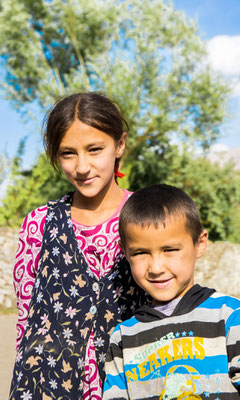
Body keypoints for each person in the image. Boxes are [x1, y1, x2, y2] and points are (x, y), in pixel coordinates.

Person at [9, 92, 147, 400]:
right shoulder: (39, 224)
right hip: (49, 384)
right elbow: (26, 318)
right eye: (67, 153)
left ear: (119, 145)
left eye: (95, 149)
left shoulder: (148, 218)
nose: (82, 167)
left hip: (131, 382)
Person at [103, 184, 240, 400]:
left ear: (199, 244)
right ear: (125, 253)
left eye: (170, 250)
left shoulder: (230, 317)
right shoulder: (124, 338)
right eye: (140, 253)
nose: (156, 268)